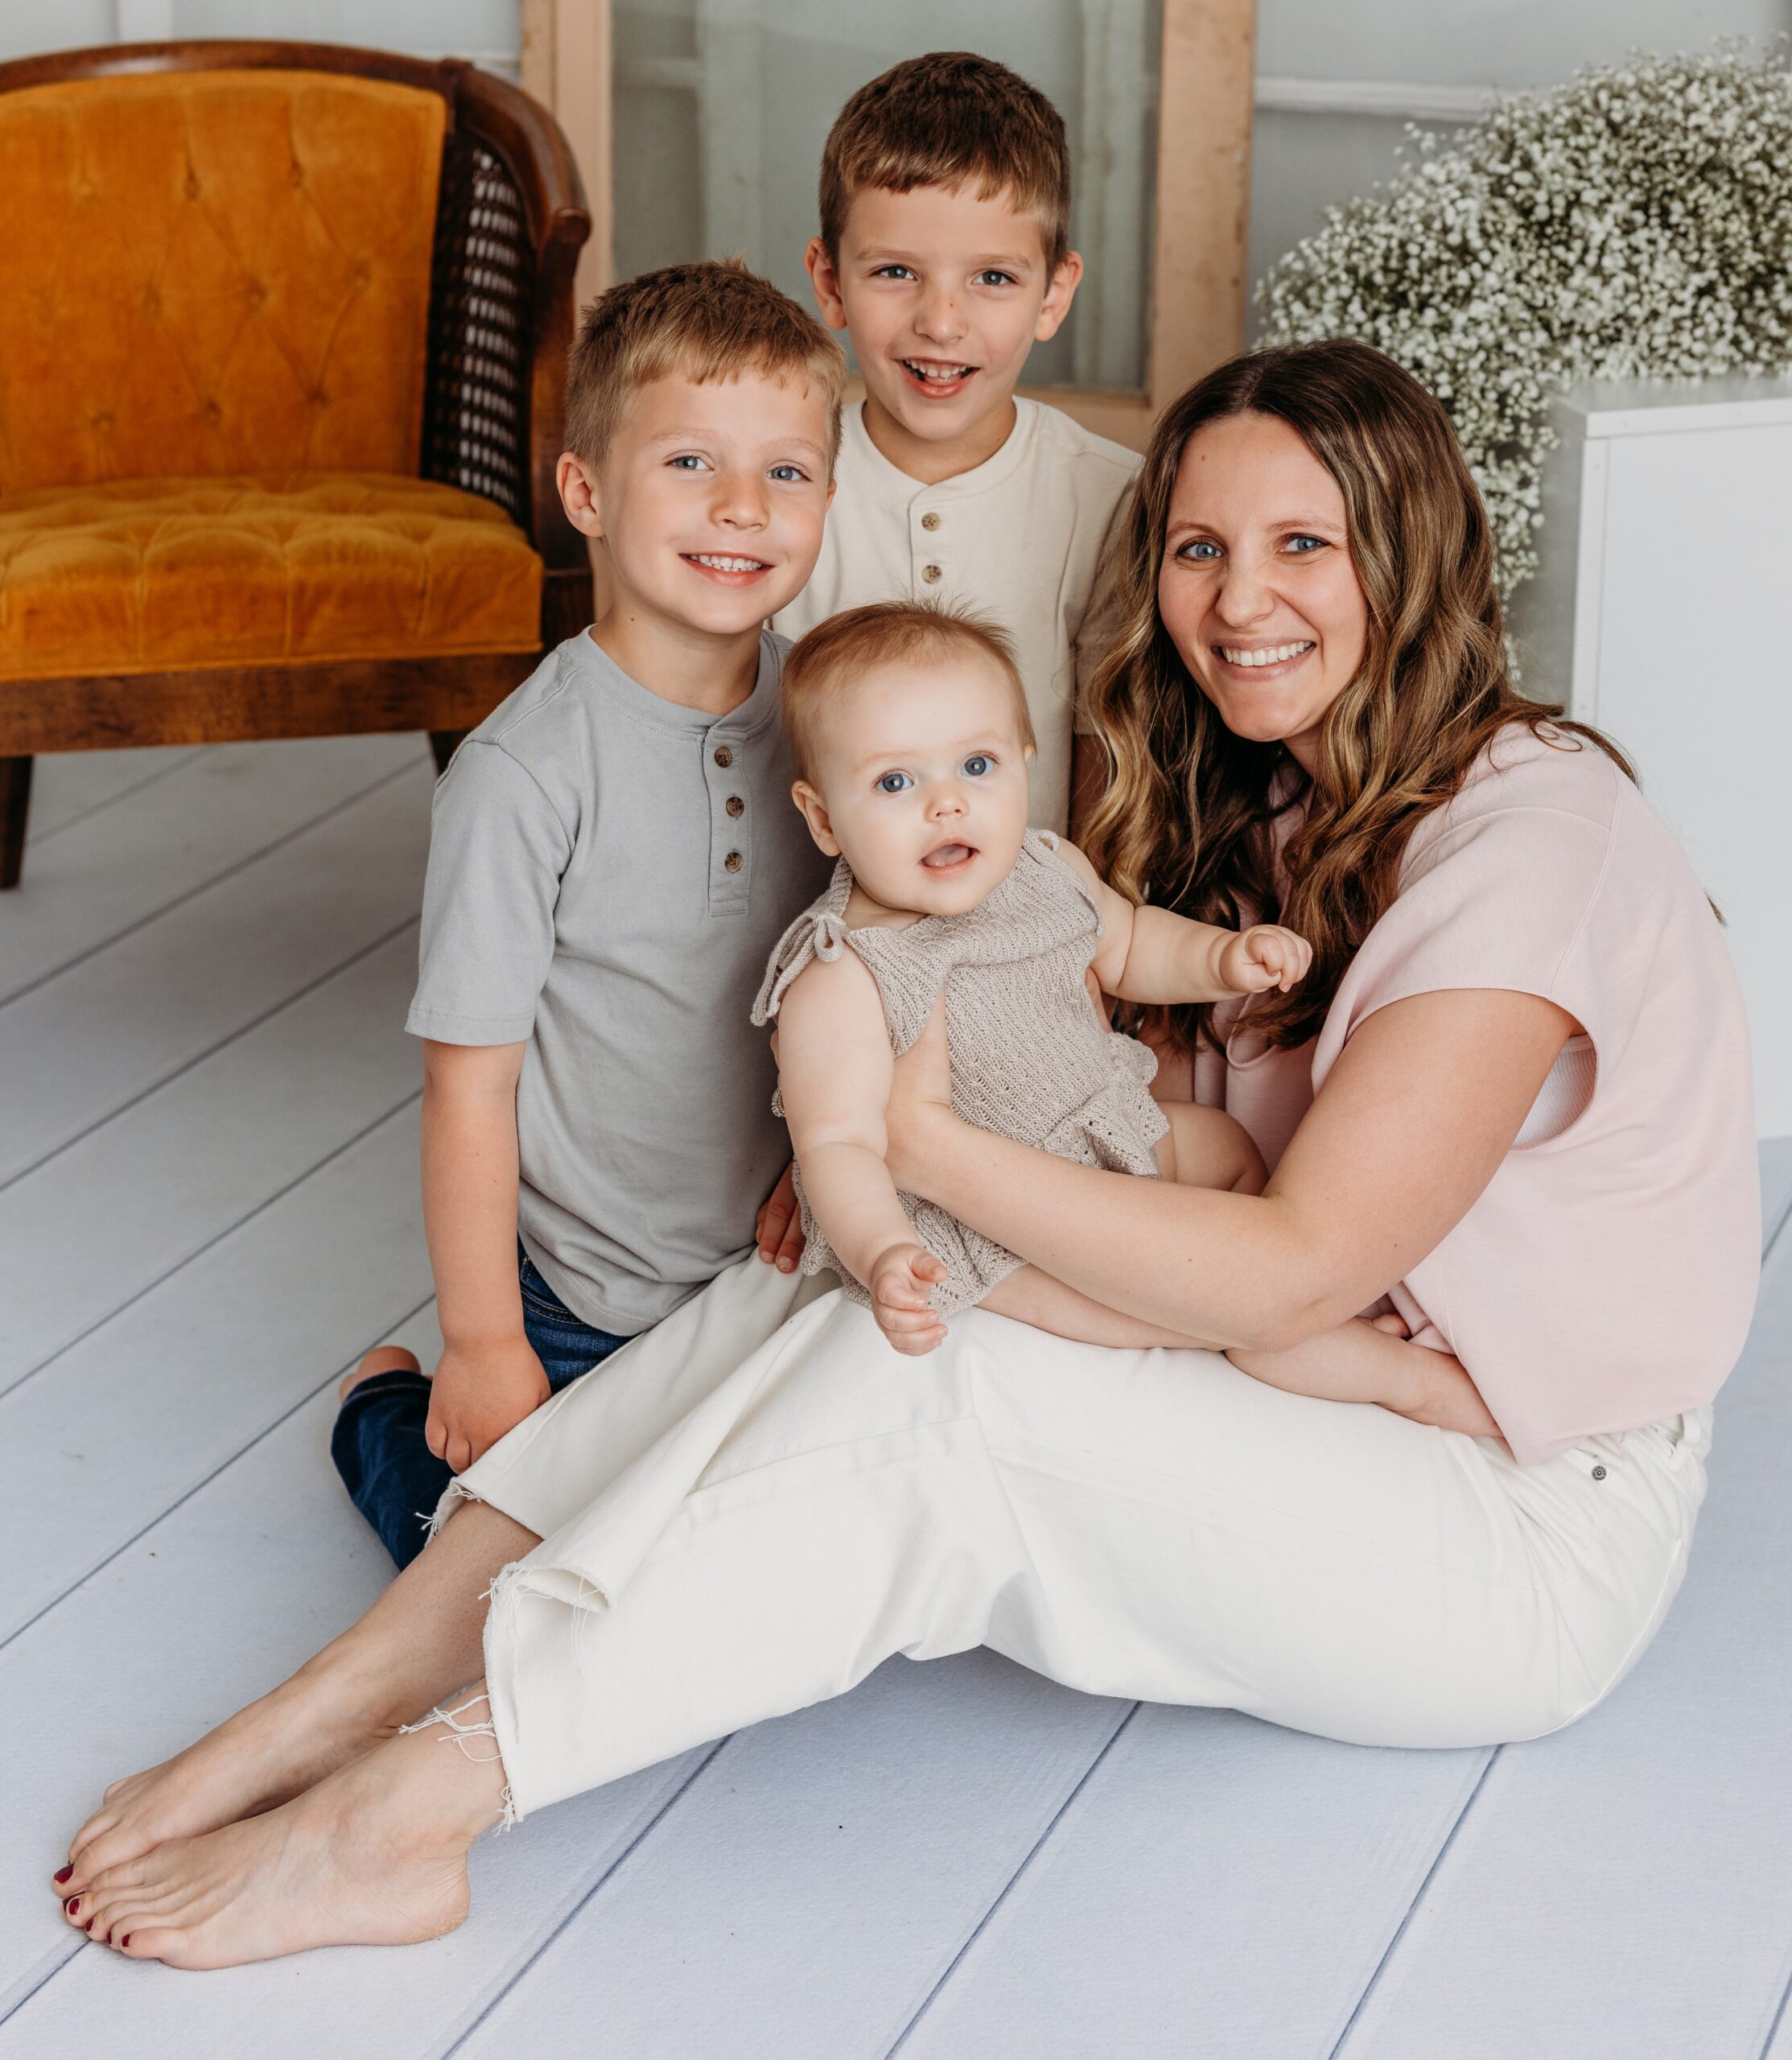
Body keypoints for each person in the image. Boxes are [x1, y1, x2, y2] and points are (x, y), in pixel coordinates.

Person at [53, 341, 1758, 1971]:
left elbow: (1291, 1259)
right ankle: (342, 1696)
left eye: (1304, 543)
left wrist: (919, 1144)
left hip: (1519, 1518)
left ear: (1421, 552)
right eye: (1200, 547)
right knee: (808, 1273)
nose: (1241, 602)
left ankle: (410, 1811)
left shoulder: (1529, 845)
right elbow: (1137, 1136)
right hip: (1337, 1382)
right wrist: (880, 1173)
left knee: (947, 1385)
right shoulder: (1279, 797)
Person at [329, 260, 844, 1566]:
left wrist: (824, 1155)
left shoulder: (831, 718)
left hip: (781, 1268)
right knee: (524, 1593)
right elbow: (469, 1089)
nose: (742, 506)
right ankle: (382, 1409)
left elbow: (877, 963)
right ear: (584, 493)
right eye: (689, 463)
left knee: (785, 1558)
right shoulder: (522, 775)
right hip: (585, 1300)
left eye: (785, 471)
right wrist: (485, 1342)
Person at [760, 598, 1496, 1433]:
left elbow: (1128, 942)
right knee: (1199, 1319)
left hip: (1107, 1130)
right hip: (990, 1225)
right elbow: (841, 1146)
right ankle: (1402, 1379)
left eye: (977, 766)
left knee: (1226, 1151)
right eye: (895, 781)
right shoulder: (843, 970)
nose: (947, 805)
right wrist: (883, 1251)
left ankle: (1301, 1293)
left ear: (1025, 763)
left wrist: (1223, 959)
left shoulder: (1046, 867)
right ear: (821, 817)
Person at [772, 52, 1140, 838]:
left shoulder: (1111, 500)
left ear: (1055, 293)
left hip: (1028, 934)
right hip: (816, 935)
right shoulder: (773, 487)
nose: (941, 322)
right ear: (830, 282)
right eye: (896, 270)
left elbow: (1106, 773)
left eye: (993, 279)